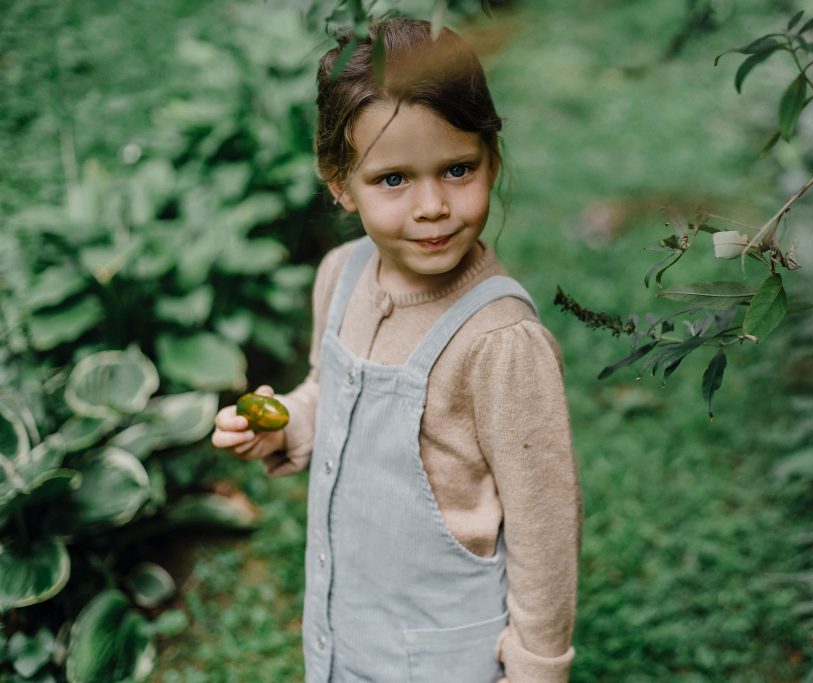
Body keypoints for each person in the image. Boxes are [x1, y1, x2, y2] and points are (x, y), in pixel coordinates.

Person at [211, 17, 581, 683]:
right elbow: (333, 392)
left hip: (446, 659)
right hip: (343, 635)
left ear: (492, 158)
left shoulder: (500, 341)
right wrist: (290, 422)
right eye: (393, 180)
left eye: (458, 168)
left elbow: (545, 526)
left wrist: (536, 667)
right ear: (338, 181)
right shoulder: (342, 276)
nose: (433, 205)